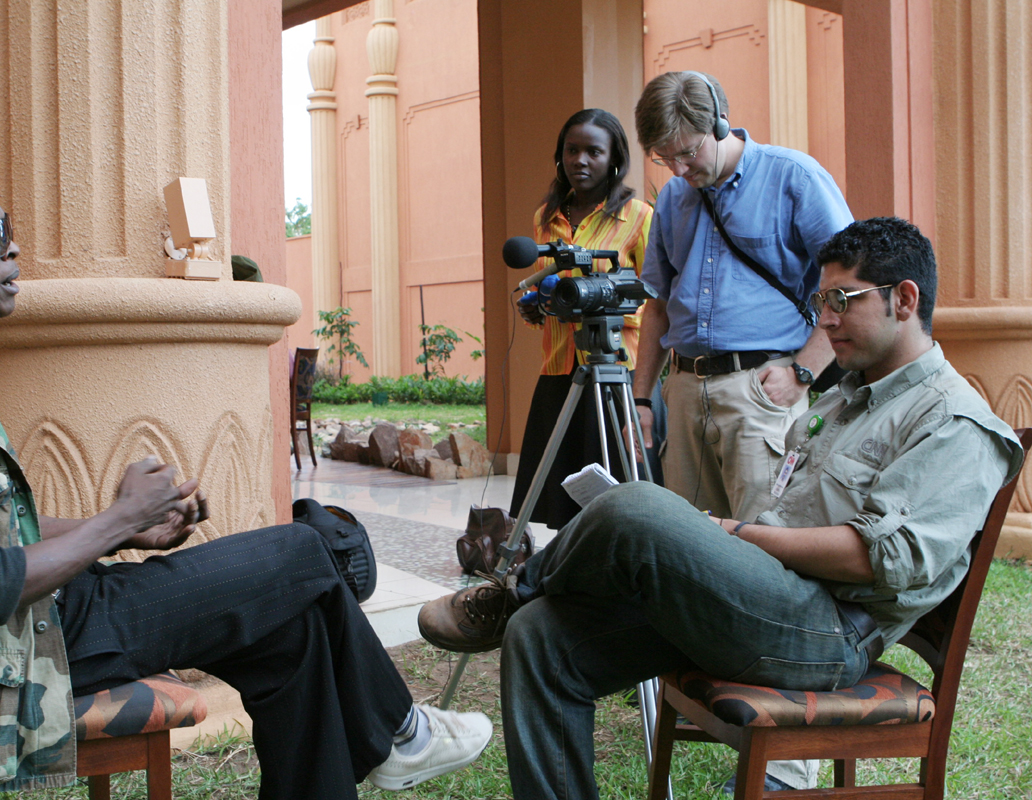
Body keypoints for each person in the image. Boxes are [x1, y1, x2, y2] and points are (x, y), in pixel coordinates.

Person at [0, 157, 492, 799]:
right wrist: (116, 520)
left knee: (292, 632)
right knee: (305, 550)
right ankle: (401, 733)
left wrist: (126, 529)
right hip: (21, 652)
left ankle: (396, 738)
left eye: (8, 232)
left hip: (39, 624)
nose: (12, 254)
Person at [419, 217, 1024, 800]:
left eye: (843, 300)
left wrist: (736, 535)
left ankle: (510, 591)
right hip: (767, 601)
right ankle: (518, 608)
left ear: (905, 298)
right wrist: (732, 542)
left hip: (827, 634)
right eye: (821, 302)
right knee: (538, 638)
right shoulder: (847, 398)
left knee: (637, 508)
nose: (827, 321)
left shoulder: (956, 423)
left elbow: (881, 558)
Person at [631, 71, 853, 527]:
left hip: (762, 389)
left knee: (763, 539)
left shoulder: (795, 178)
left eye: (688, 153)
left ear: (719, 124)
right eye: (663, 157)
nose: (677, 170)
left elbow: (849, 287)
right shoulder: (674, 198)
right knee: (687, 543)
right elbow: (657, 305)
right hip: (685, 390)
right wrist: (644, 399)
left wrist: (803, 372)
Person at [508, 109, 658, 532]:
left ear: (614, 158)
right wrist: (539, 307)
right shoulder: (546, 217)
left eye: (594, 151)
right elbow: (553, 286)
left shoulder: (639, 217)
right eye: (572, 151)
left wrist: (606, 306)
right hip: (560, 368)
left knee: (621, 494)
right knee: (561, 495)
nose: (581, 160)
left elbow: (654, 298)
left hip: (617, 371)